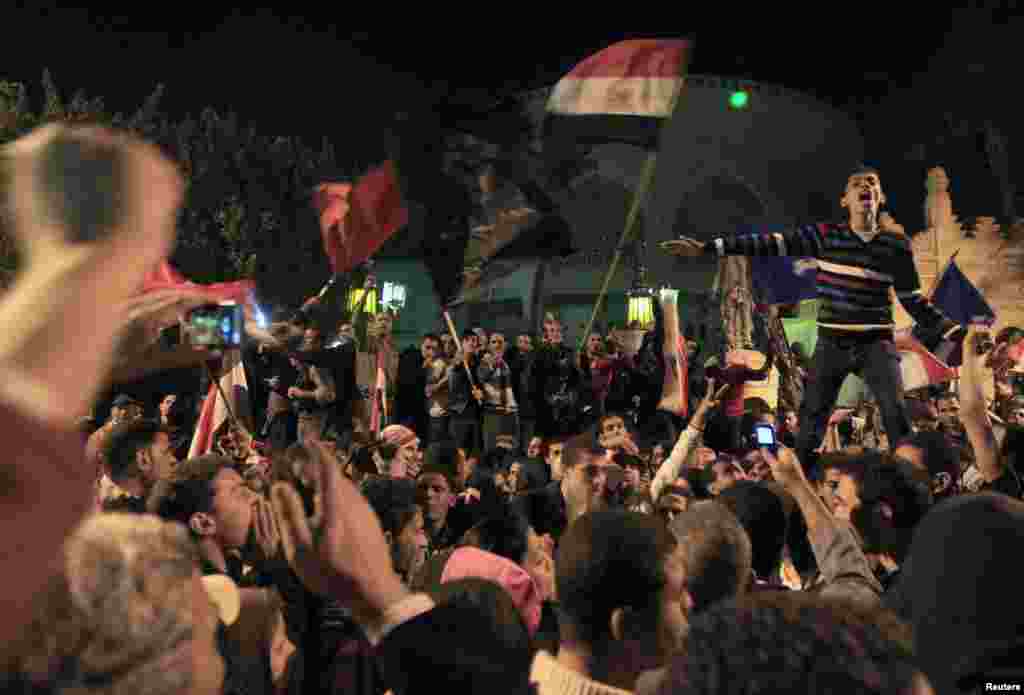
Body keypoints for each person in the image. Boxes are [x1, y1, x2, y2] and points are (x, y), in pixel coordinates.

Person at [663, 166, 965, 476]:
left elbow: (913, 299)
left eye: (872, 183)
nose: (865, 186)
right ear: (845, 200)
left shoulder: (895, 245)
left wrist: (953, 331)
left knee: (895, 413)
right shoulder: (825, 236)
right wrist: (707, 248)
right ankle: (802, 486)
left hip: (876, 342)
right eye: (856, 183)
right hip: (832, 342)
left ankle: (908, 481)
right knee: (810, 424)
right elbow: (768, 242)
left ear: (880, 197)